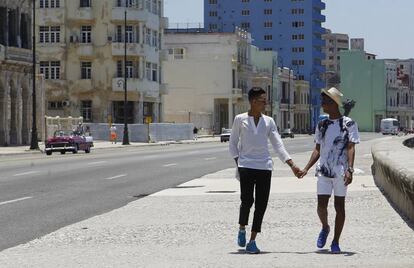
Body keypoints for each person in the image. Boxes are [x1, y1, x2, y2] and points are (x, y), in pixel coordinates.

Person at [229, 87, 301, 254]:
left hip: (264, 166)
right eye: (262, 100)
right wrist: (238, 162)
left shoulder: (269, 121)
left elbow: (278, 144)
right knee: (247, 201)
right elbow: (232, 143)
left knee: (261, 204)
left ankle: (252, 240)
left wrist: (292, 165)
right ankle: (242, 228)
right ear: (253, 102)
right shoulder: (240, 119)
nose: (265, 103)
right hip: (246, 166)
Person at [298, 87, 360, 254]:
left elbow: (351, 147)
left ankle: (335, 241)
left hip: (341, 171)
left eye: (325, 100)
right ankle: (325, 227)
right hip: (324, 171)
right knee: (321, 206)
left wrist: (350, 169)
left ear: (333, 103)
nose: (322, 103)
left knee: (339, 207)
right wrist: (306, 168)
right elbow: (317, 149)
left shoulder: (349, 123)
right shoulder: (322, 124)